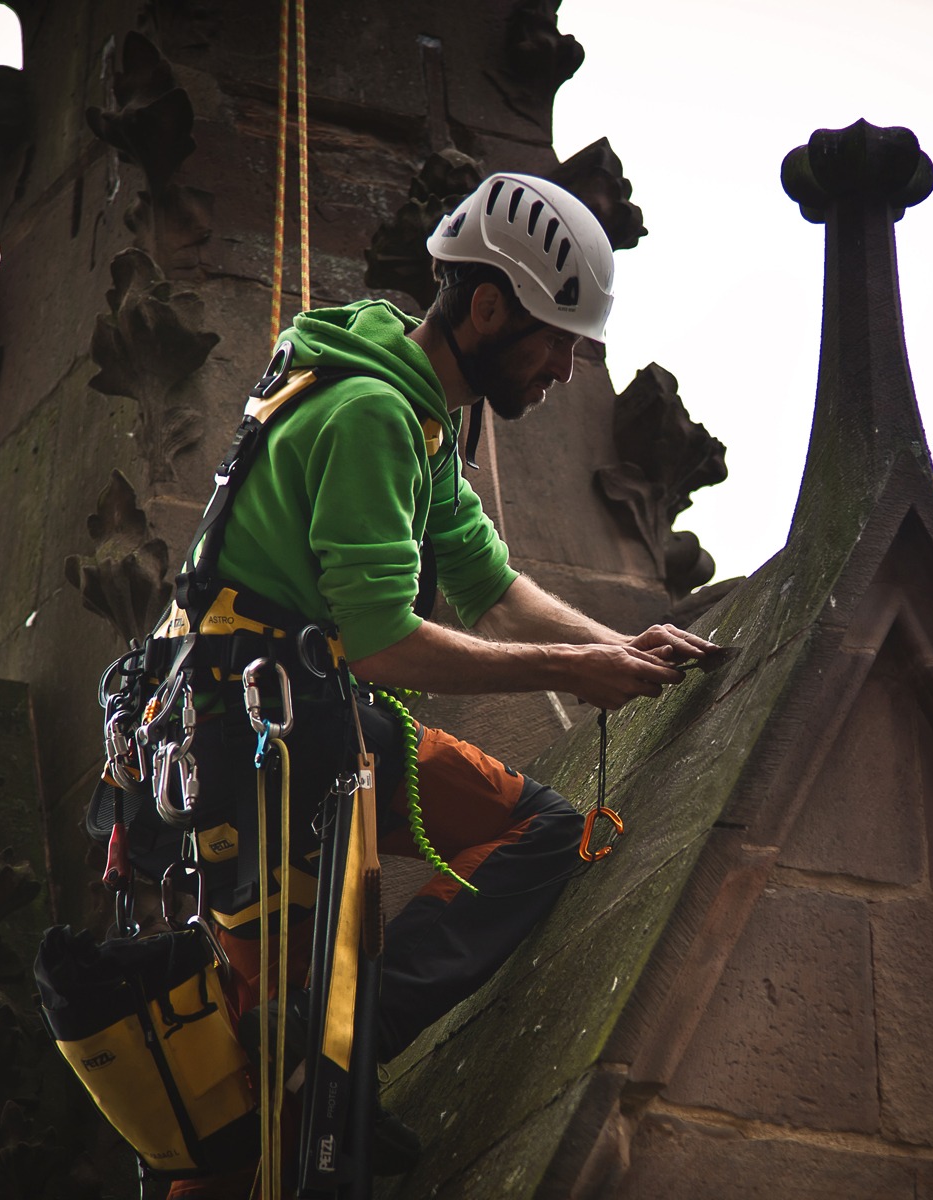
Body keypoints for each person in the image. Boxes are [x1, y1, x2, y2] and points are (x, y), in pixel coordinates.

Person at [168, 172, 718, 1194]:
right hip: (256, 740)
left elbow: (495, 592)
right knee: (251, 1136)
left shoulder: (422, 419)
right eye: (557, 340)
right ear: (488, 307)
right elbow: (382, 641)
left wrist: (624, 649)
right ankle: (315, 1053)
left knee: (545, 828)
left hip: (303, 719)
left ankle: (341, 1038)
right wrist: (576, 669)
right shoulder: (375, 413)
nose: (564, 369)